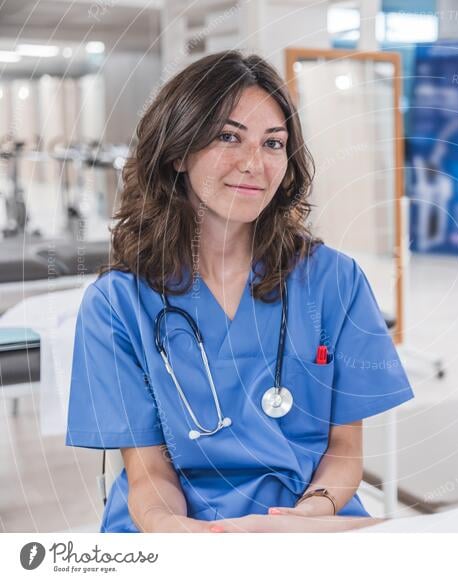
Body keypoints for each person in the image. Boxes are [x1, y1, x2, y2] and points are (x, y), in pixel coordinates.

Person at [65, 50, 414, 533]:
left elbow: (343, 456)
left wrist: (307, 515)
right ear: (178, 152)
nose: (255, 164)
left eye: (274, 144)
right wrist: (183, 534)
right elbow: (149, 477)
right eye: (229, 137)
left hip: (303, 519)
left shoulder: (335, 281)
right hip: (170, 525)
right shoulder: (117, 305)